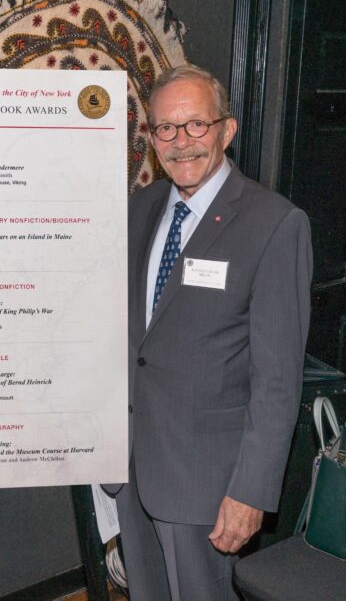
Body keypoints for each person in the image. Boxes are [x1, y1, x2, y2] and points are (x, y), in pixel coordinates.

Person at [109, 64, 312, 599]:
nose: (182, 142)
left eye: (196, 124)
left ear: (227, 130)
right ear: (152, 138)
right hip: (131, 465)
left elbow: (277, 380)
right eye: (166, 128)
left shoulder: (274, 224)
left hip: (207, 481)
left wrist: (252, 491)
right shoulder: (140, 208)